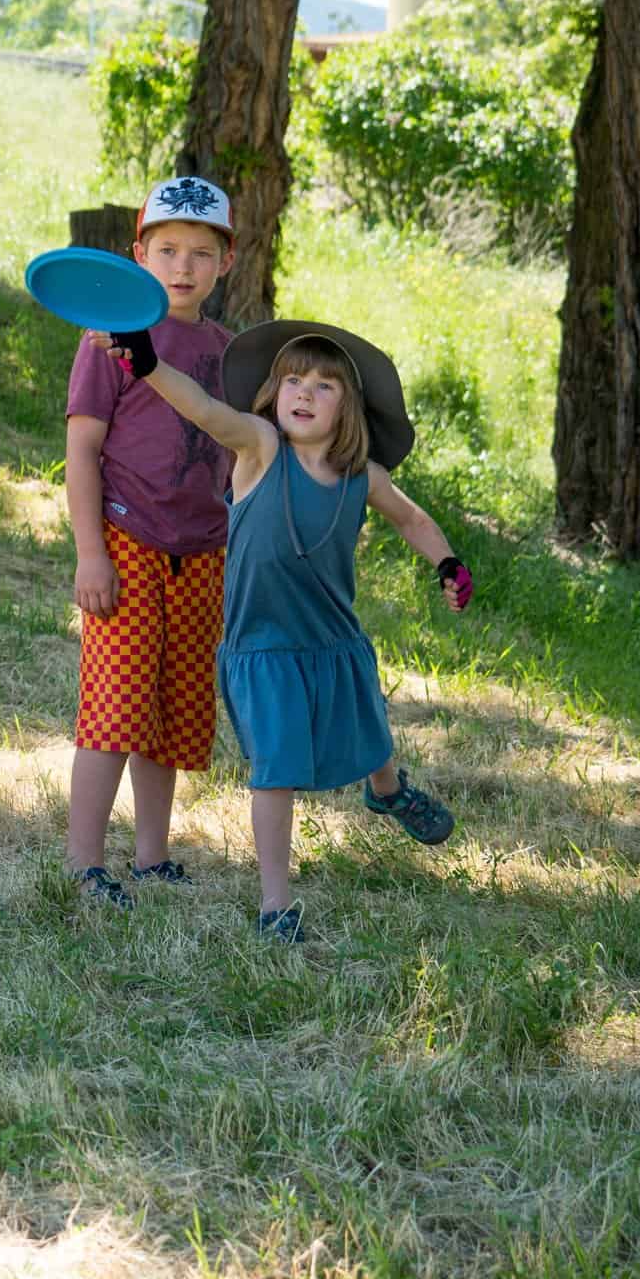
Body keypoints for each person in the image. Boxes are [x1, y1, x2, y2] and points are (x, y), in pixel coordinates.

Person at [92, 319, 473, 943]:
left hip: (333, 638)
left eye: (324, 386)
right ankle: (276, 905)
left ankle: (388, 791)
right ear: (273, 391)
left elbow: (411, 517)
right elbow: (208, 409)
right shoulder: (261, 448)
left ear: (349, 407)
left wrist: (448, 564)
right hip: (263, 650)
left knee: (369, 728)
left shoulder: (360, 477)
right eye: (293, 380)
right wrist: (149, 364)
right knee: (277, 768)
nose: (304, 392)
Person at [62, 175, 240, 910]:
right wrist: (90, 553)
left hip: (201, 552)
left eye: (201, 253)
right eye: (167, 249)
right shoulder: (110, 336)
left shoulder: (231, 354)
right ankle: (81, 862)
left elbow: (245, 448)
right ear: (138, 253)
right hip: (128, 539)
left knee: (170, 712)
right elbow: (82, 450)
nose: (183, 267)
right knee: (116, 707)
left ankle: (151, 857)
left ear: (226, 263)